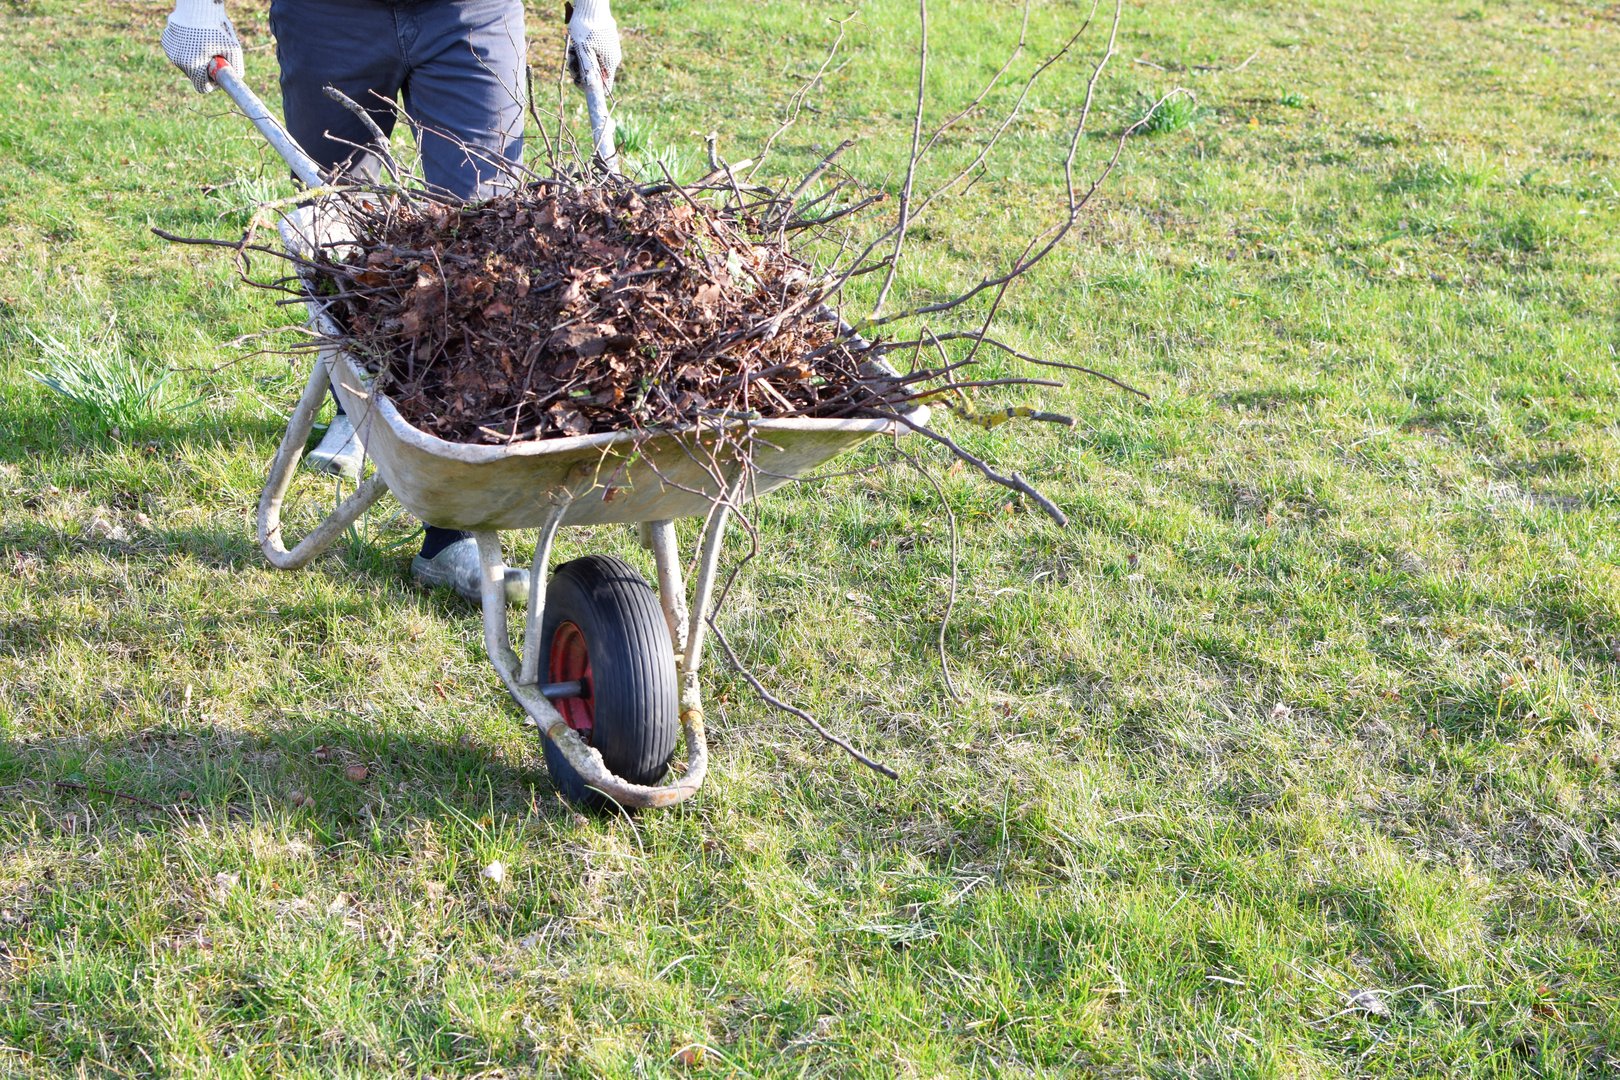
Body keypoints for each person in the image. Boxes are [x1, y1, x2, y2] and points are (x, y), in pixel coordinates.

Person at [160, 0, 621, 604]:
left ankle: (450, 528)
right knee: (345, 238)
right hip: (329, 17)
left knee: (485, 257)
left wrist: (591, 7)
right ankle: (363, 411)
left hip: (470, 13)